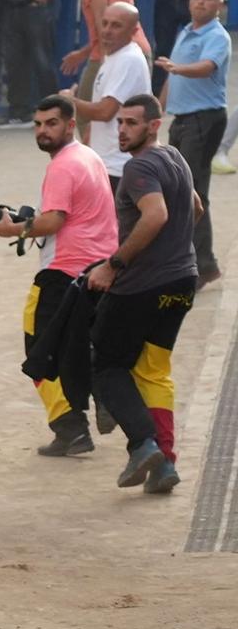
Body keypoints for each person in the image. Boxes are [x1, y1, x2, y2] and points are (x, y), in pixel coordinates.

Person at [0, 94, 117, 455]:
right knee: (77, 347)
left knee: (39, 352)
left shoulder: (62, 166)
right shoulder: (90, 156)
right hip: (97, 271)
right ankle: (101, 397)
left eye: (51, 124)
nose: (42, 131)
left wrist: (14, 229)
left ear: (70, 125)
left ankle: (71, 427)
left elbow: (54, 220)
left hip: (61, 274)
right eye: (38, 124)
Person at [89, 94, 202, 495]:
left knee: (106, 366)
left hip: (143, 285)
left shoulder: (139, 167)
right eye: (119, 122)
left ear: (154, 125)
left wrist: (113, 264)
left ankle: (142, 444)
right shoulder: (176, 158)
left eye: (132, 123)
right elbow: (196, 207)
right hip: (182, 282)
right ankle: (165, 464)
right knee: (153, 371)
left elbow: (156, 215)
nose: (122, 130)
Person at [155, 0, 229, 284]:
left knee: (193, 191)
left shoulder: (217, 36)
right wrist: (156, 109)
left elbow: (206, 68)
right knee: (178, 189)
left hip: (205, 119)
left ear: (219, 6)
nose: (200, 2)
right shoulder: (186, 31)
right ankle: (193, 261)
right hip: (182, 118)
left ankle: (202, 264)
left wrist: (177, 69)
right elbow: (174, 78)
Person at [60, 0, 148, 129]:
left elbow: (103, 24)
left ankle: (92, 158)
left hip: (109, 53)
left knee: (84, 115)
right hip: (137, 47)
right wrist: (83, 53)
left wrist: (94, 56)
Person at [69, 2, 153, 189]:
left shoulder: (127, 59)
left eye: (116, 25)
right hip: (106, 163)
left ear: (133, 31)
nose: (106, 31)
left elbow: (105, 111)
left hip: (118, 167)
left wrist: (68, 103)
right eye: (105, 23)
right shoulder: (115, 55)